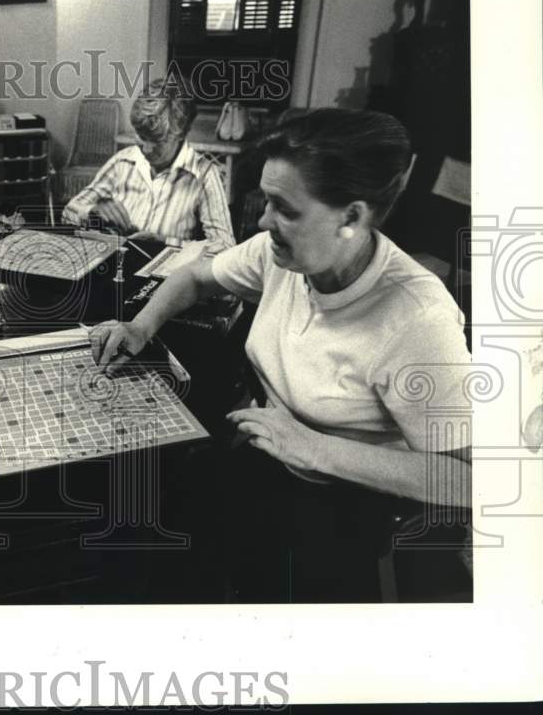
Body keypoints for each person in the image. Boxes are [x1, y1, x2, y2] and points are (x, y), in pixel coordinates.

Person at [89, 108, 472, 601]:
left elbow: (470, 479)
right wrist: (140, 326)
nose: (264, 219)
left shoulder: (418, 319)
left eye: (284, 208)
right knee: (154, 519)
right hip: (270, 457)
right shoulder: (284, 257)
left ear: (351, 217)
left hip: (346, 497)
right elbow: (194, 277)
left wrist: (315, 447)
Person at [61, 78, 235, 253]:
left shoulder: (204, 175)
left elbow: (226, 248)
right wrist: (92, 212)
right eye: (141, 137)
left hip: (169, 276)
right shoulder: (122, 162)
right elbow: (68, 214)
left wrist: (166, 242)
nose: (146, 148)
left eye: (157, 142)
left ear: (182, 134)